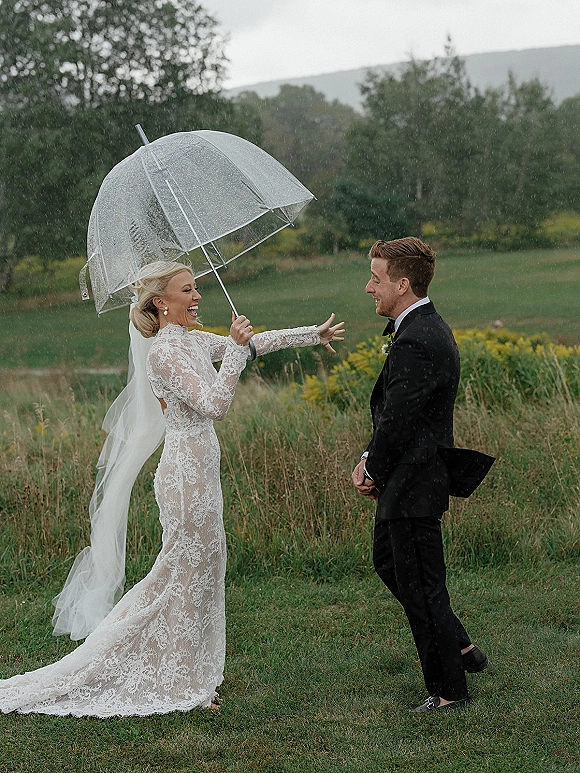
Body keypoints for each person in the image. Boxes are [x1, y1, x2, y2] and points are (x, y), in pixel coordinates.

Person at [0, 260, 345, 717]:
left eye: (197, 287)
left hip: (203, 470)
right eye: (188, 289)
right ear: (161, 302)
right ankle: (176, 679)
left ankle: (194, 672)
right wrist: (237, 354)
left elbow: (250, 345)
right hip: (184, 473)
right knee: (182, 575)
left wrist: (310, 335)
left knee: (202, 573)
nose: (197, 296)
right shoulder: (163, 351)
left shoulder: (190, 339)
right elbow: (215, 404)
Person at [351, 237, 488, 713]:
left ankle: (449, 691)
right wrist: (375, 461)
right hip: (410, 479)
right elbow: (397, 413)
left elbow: (400, 420)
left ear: (402, 283)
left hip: (415, 481)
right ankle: (463, 646)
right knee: (391, 564)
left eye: (376, 278)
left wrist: (370, 467)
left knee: (421, 584)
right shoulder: (419, 329)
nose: (370, 287)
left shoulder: (417, 340)